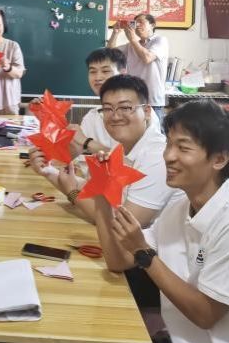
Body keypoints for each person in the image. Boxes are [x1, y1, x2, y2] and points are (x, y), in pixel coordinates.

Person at [71, 100, 229, 343]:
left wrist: (145, 254)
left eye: (183, 148)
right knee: (82, 342)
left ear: (219, 159)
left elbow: (205, 314)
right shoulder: (179, 210)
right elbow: (118, 261)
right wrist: (101, 198)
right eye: (169, 144)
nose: (169, 156)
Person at [29, 74, 177, 228]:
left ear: (146, 111)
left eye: (125, 107)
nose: (115, 116)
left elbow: (123, 224)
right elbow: (95, 193)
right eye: (107, 108)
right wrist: (48, 171)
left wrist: (72, 192)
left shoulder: (158, 157)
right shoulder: (123, 145)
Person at [108, 12, 168, 120]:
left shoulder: (160, 40)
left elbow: (147, 58)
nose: (137, 25)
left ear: (152, 25)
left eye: (141, 22)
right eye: (135, 23)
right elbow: (110, 54)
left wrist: (132, 40)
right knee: (134, 130)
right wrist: (115, 33)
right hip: (134, 100)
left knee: (155, 130)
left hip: (152, 101)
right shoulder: (132, 45)